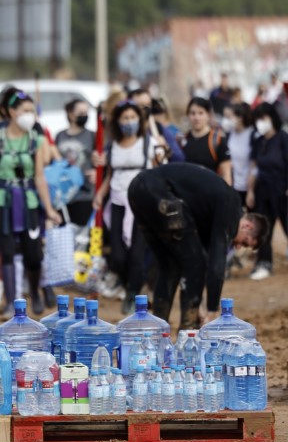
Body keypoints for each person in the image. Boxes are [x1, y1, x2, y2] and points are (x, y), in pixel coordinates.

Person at [128, 165, 267, 330]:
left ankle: (157, 333)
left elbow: (198, 263)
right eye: (244, 242)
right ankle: (188, 332)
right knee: (195, 264)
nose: (237, 247)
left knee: (170, 266)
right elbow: (216, 265)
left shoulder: (210, 215)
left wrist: (199, 306)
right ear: (248, 226)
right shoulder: (231, 205)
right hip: (160, 193)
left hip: (137, 190)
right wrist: (213, 310)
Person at [0, 90, 61, 317]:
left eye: (32, 111)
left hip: (28, 200)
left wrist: (48, 208)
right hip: (2, 200)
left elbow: (40, 176)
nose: (29, 116)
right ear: (11, 112)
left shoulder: (36, 140)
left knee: (33, 253)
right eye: (25, 111)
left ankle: (36, 293)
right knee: (6, 250)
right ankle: (11, 301)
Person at [94, 100, 159, 311]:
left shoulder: (148, 143)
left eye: (133, 117)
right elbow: (110, 174)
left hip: (142, 202)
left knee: (138, 253)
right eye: (125, 118)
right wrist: (100, 195)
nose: (129, 122)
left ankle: (132, 294)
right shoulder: (113, 146)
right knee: (118, 254)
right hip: (117, 201)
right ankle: (127, 284)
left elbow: (160, 170)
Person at [246, 103, 288, 281]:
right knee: (264, 228)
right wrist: (250, 191)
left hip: (282, 189)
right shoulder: (259, 141)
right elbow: (254, 167)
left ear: (272, 118)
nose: (260, 123)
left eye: (263, 119)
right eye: (258, 120)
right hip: (263, 189)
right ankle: (264, 263)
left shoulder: (283, 138)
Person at [55, 98, 96, 227]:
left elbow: (98, 162)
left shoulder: (92, 136)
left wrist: (96, 172)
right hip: (63, 195)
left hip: (84, 195)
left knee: (82, 236)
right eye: (81, 112)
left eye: (86, 112)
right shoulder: (60, 135)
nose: (84, 115)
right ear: (70, 114)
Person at [179, 97, 231, 185]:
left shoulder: (217, 139)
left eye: (201, 113)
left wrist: (228, 196)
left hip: (211, 192)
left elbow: (226, 173)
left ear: (208, 115)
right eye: (193, 113)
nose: (196, 117)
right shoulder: (183, 140)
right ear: (188, 116)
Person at [222, 103, 255, 207]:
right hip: (233, 185)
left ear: (240, 117)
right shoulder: (229, 134)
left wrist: (251, 190)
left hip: (248, 187)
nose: (226, 120)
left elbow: (254, 165)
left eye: (229, 117)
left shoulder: (252, 135)